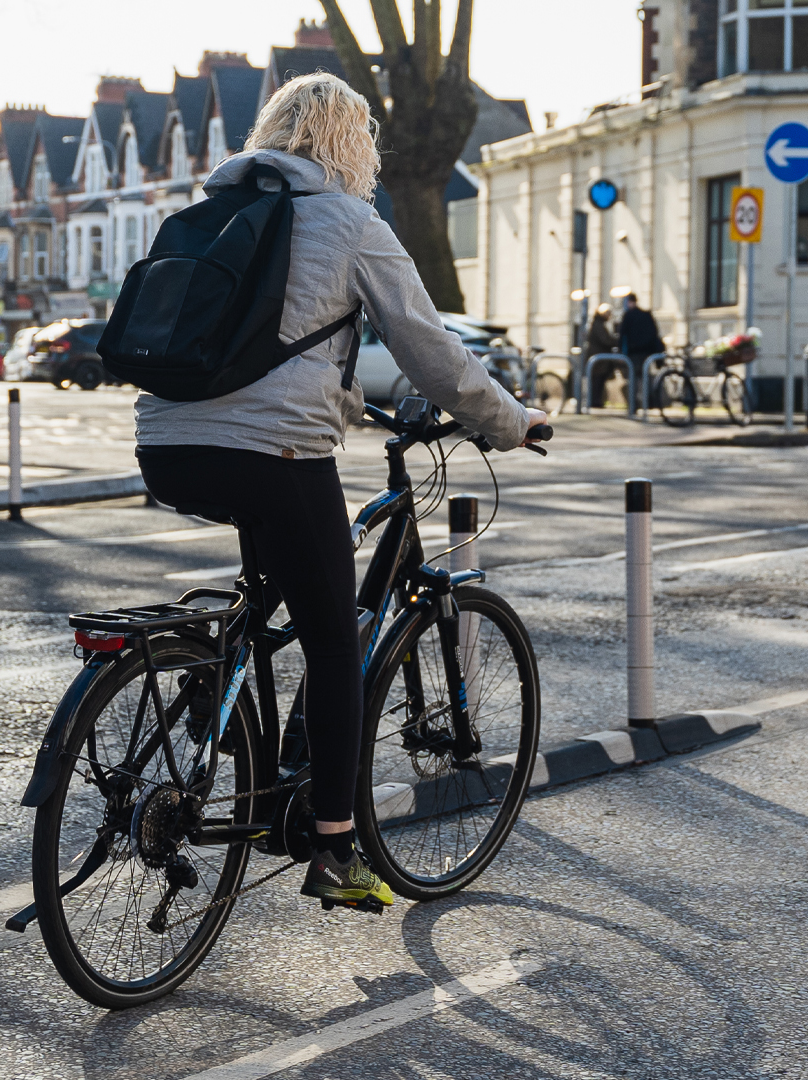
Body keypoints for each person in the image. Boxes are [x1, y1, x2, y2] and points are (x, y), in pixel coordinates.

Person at [132, 72, 548, 911]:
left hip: (166, 445)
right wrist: (510, 422)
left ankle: (225, 703)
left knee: (276, 591)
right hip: (273, 455)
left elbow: (264, 349)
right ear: (350, 142)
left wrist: (345, 402)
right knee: (332, 641)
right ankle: (332, 848)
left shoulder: (211, 212)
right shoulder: (350, 221)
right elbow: (434, 352)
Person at [617, 292, 663, 401]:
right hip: (647, 352)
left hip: (633, 352)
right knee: (645, 376)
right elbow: (654, 333)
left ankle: (633, 404)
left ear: (629, 302)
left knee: (633, 377)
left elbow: (622, 335)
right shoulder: (646, 315)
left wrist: (621, 351)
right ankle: (648, 401)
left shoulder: (628, 316)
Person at [582, 303, 618, 408]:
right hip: (598, 358)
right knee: (597, 381)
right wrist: (615, 341)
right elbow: (605, 340)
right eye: (608, 314)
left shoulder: (597, 323)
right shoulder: (598, 324)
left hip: (599, 358)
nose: (609, 316)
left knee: (598, 381)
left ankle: (596, 401)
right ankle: (595, 401)